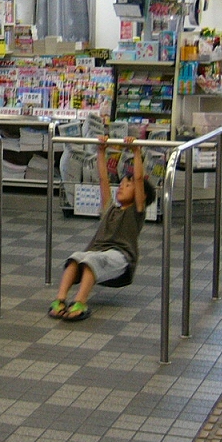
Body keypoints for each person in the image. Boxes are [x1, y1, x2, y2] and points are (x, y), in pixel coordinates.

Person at [48, 135, 155, 321]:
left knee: (92, 260)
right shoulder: (110, 209)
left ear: (141, 195)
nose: (121, 187)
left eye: (127, 185)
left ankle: (80, 302)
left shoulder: (136, 211)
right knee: (75, 258)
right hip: (98, 252)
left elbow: (139, 178)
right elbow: (103, 180)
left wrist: (136, 152)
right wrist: (101, 151)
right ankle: (60, 300)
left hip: (120, 257)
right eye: (121, 184)